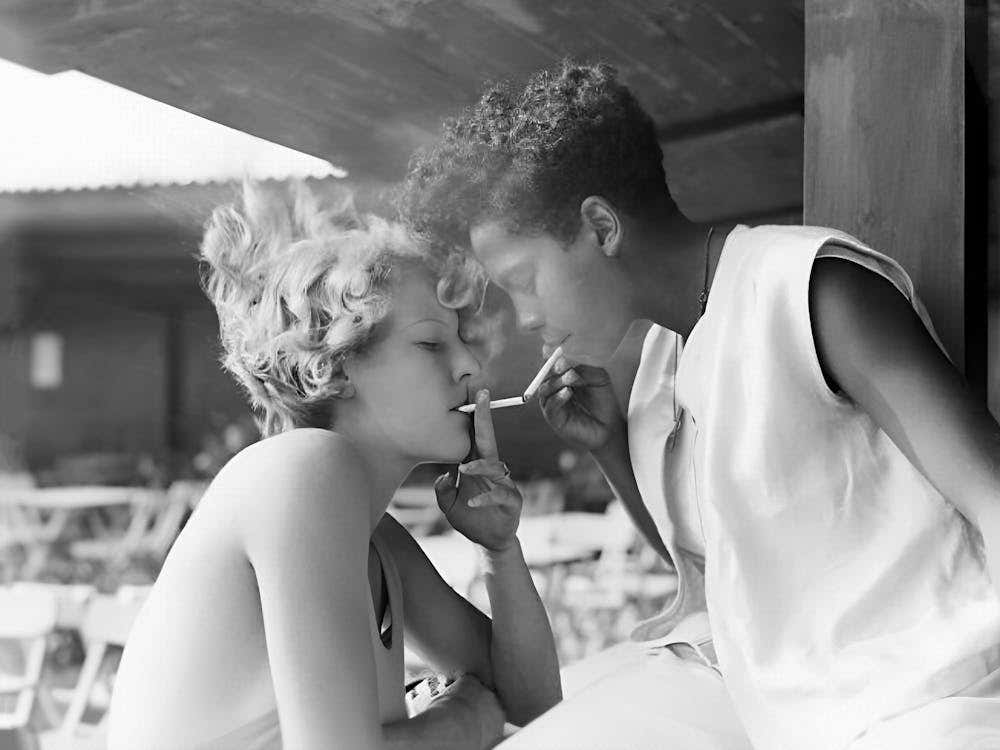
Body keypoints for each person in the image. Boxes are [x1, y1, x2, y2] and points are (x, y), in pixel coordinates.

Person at [398, 60, 1000, 749]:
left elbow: (993, 497)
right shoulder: (664, 354)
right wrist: (612, 449)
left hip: (927, 700)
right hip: (781, 706)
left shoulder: (808, 289)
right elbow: (719, 574)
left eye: (523, 280)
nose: (526, 317)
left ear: (599, 225)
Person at [107, 183, 561, 750]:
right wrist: (463, 721)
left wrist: (499, 549)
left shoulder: (376, 538)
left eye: (463, 342)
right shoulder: (303, 470)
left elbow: (535, 705)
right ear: (338, 367)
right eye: (430, 344)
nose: (470, 366)